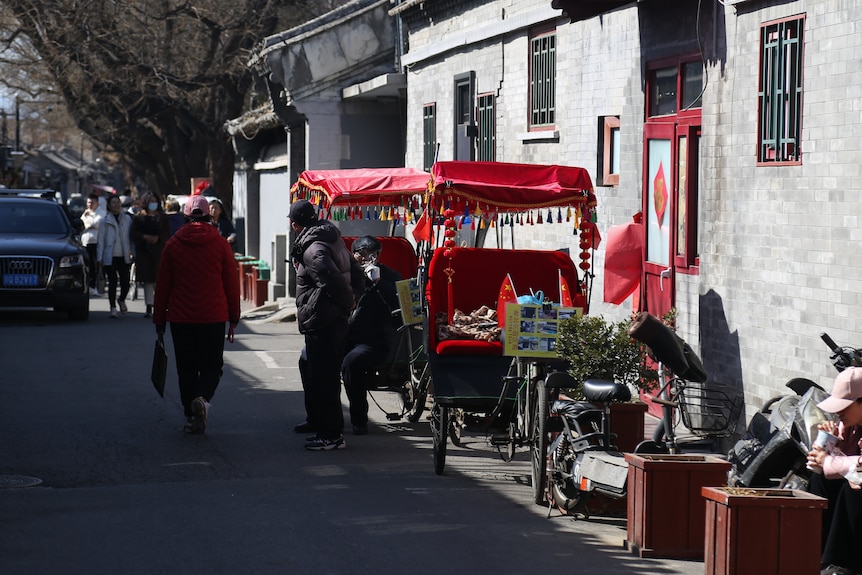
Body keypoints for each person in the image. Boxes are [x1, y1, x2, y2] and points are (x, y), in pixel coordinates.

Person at [153, 195, 240, 435]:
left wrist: (159, 321)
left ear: (186, 216)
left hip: (181, 319)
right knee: (213, 366)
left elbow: (162, 287)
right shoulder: (220, 243)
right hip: (213, 316)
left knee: (186, 368)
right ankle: (203, 399)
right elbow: (231, 284)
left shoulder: (173, 244)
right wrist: (234, 317)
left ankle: (191, 416)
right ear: (209, 215)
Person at [289, 199, 363, 451]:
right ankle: (320, 424)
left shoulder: (313, 249)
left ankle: (331, 435)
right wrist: (351, 302)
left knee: (324, 378)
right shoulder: (333, 238)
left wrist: (347, 304)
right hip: (329, 319)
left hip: (325, 322)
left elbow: (335, 282)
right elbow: (357, 273)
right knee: (315, 372)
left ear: (296, 225)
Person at [341, 236, 402, 435]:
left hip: (374, 339)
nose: (369, 258)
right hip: (342, 334)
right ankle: (318, 417)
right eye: (363, 254)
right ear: (353, 255)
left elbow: (402, 307)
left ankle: (359, 419)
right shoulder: (344, 274)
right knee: (309, 357)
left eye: (374, 254)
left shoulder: (390, 276)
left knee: (353, 362)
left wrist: (378, 281)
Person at [806, 367, 862, 575]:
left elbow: (859, 469)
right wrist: (830, 440)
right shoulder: (851, 426)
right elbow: (842, 465)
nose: (839, 412)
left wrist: (828, 460)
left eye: (845, 407)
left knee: (853, 490)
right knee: (819, 480)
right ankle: (813, 549)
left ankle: (840, 563)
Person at [130, 192, 170, 318]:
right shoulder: (138, 217)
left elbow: (167, 233)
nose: (153, 203)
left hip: (159, 251)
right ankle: (149, 306)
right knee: (147, 280)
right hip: (144, 252)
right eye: (151, 200)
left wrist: (158, 238)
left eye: (155, 200)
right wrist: (144, 237)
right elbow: (133, 234)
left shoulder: (163, 217)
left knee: (159, 281)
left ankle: (161, 306)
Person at [96, 194, 133, 318]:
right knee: (112, 282)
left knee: (125, 282)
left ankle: (121, 299)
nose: (116, 205)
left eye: (118, 203)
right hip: (109, 256)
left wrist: (133, 252)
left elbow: (131, 238)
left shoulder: (127, 219)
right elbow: (100, 241)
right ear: (109, 206)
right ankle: (112, 308)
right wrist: (99, 258)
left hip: (124, 255)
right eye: (113, 203)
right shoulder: (104, 221)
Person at [80, 192, 104, 296]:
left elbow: (96, 223)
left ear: (97, 203)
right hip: (85, 243)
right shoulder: (85, 213)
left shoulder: (101, 213)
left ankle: (93, 286)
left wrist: (87, 222)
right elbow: (81, 224)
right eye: (89, 202)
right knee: (86, 266)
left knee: (94, 266)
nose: (90, 205)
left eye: (92, 202)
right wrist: (87, 222)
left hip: (96, 243)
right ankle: (86, 285)